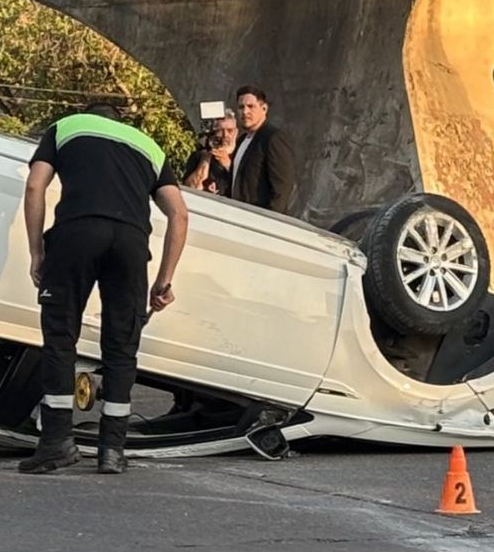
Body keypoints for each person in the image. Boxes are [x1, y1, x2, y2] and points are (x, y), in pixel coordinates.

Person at [21, 103, 190, 475]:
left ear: (90, 115)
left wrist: (37, 251)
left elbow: (36, 184)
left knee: (61, 338)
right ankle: (112, 450)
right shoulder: (148, 145)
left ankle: (56, 444)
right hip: (130, 243)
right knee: (121, 346)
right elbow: (178, 214)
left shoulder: (67, 126)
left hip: (76, 234)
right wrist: (164, 280)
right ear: (121, 122)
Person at [229, 85, 297, 214]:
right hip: (238, 217)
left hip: (259, 220)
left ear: (264, 108)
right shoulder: (241, 140)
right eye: (241, 107)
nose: (245, 112)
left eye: (251, 106)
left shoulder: (273, 138)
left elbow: (282, 186)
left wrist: (270, 221)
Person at [182, 109, 239, 196]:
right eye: (220, 131)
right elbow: (191, 189)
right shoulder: (200, 156)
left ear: (236, 132)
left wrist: (228, 164)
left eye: (230, 130)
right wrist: (206, 158)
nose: (225, 135)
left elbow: (245, 187)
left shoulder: (242, 155)